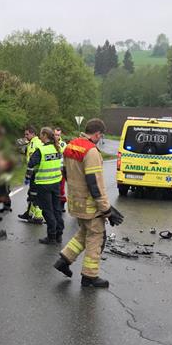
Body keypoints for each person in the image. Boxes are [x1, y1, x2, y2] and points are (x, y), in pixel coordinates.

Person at [53, 119, 124, 288]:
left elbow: (65, 172)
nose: (100, 138)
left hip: (75, 202)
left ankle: (64, 260)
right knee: (96, 237)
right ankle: (89, 276)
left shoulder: (71, 145)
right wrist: (106, 210)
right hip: (90, 205)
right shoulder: (91, 152)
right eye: (101, 135)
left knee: (84, 233)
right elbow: (95, 184)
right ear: (97, 133)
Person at [26, 127, 64, 244]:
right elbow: (61, 166)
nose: (40, 137)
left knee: (47, 210)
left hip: (44, 184)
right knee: (57, 209)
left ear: (45, 135)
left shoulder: (41, 150)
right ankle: (59, 234)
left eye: (41, 135)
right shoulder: (58, 149)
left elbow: (31, 164)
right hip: (56, 183)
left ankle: (51, 236)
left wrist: (28, 178)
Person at [18, 125, 44, 224]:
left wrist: (29, 175)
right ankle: (29, 213)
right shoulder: (32, 142)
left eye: (27, 134)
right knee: (31, 194)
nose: (25, 136)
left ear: (33, 133)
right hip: (34, 172)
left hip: (36, 173)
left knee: (34, 195)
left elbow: (33, 160)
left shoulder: (35, 143)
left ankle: (38, 216)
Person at [53, 127, 67, 212]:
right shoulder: (50, 144)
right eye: (55, 135)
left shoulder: (63, 144)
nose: (56, 136)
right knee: (54, 188)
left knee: (61, 188)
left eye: (58, 135)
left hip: (61, 169)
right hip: (52, 170)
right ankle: (54, 203)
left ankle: (62, 203)